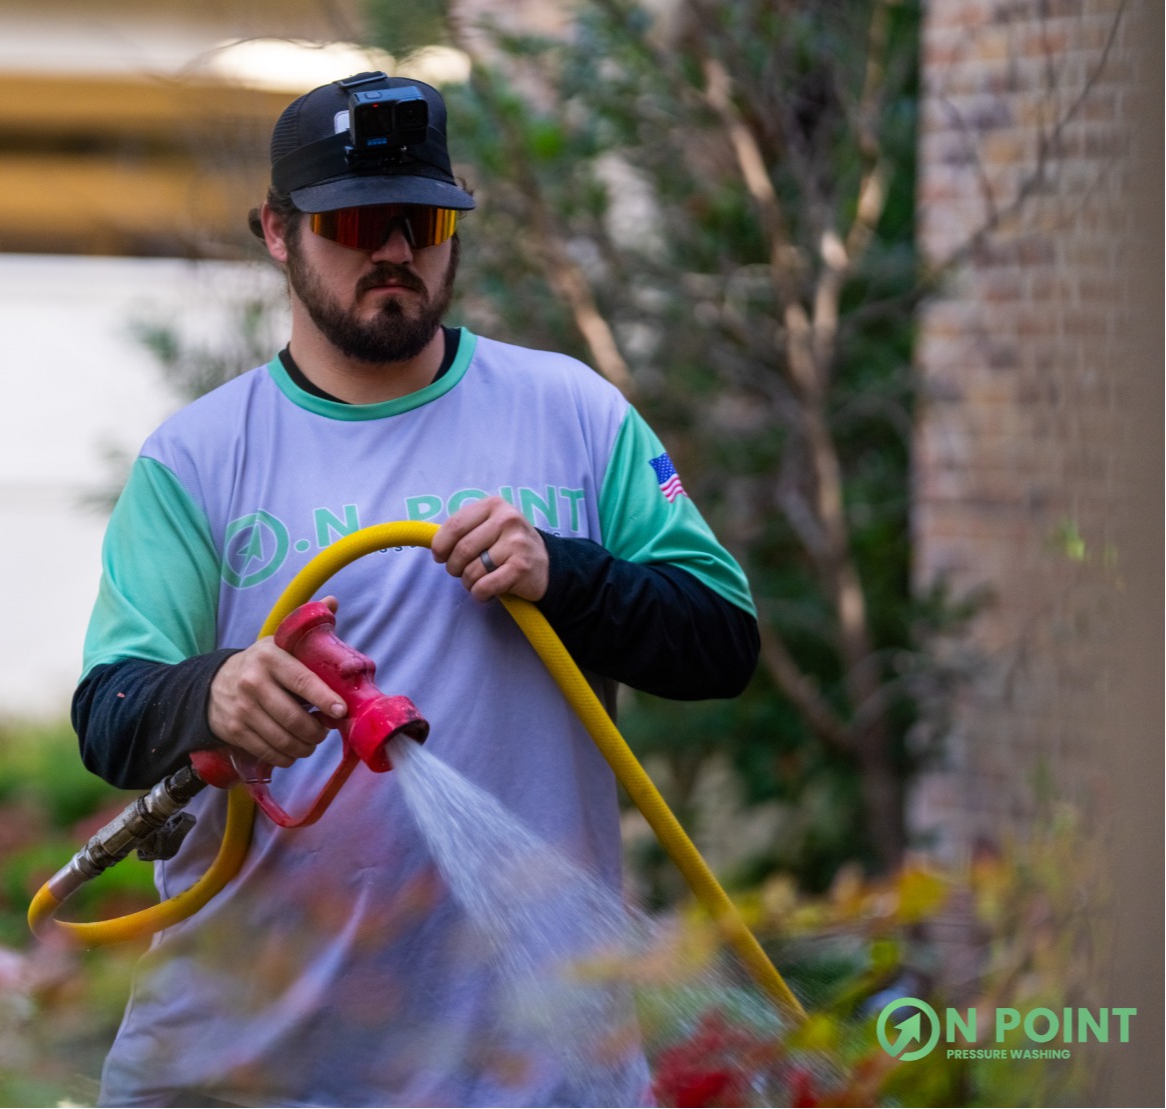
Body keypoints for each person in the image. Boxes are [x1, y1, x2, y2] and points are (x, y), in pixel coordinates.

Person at [71, 72, 758, 1107]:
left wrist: (562, 572)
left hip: (529, 1069)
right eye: (350, 221)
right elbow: (108, 714)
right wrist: (212, 694)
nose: (392, 248)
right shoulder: (198, 459)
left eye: (423, 218)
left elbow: (721, 642)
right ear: (275, 231)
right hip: (249, 1069)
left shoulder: (570, 412)